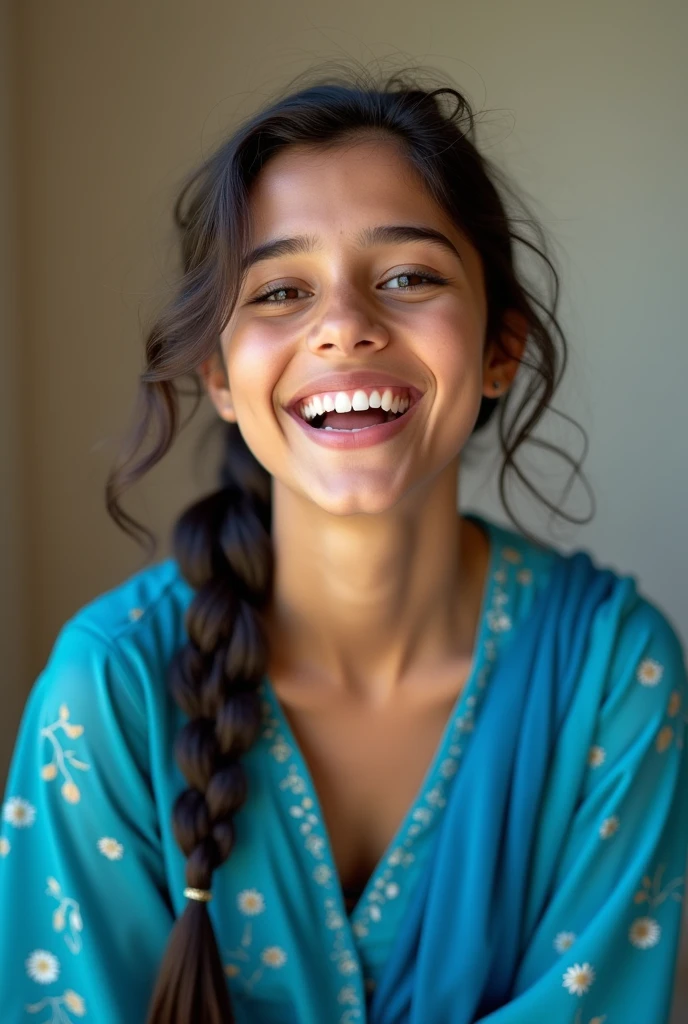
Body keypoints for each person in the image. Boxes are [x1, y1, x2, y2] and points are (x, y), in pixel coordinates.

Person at [1, 61, 686, 1024]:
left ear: (501, 349)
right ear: (221, 378)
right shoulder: (108, 693)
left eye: (407, 276)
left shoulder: (615, 675)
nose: (345, 328)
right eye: (280, 291)